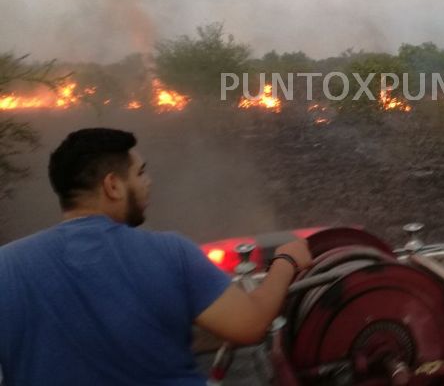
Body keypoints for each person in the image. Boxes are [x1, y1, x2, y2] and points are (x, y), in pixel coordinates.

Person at [0, 127, 311, 386]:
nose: (147, 182)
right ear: (113, 185)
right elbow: (250, 325)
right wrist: (286, 261)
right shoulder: (170, 253)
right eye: (140, 172)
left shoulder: (7, 265)